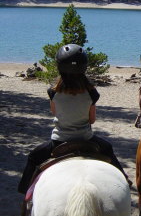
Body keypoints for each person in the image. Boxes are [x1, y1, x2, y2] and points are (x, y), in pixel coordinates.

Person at [18, 44, 130, 194]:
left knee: (33, 157)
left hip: (59, 141)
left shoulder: (53, 91)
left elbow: (54, 112)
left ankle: (25, 192)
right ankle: (124, 180)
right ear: (83, 67)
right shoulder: (91, 93)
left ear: (59, 66)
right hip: (86, 139)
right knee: (108, 148)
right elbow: (92, 120)